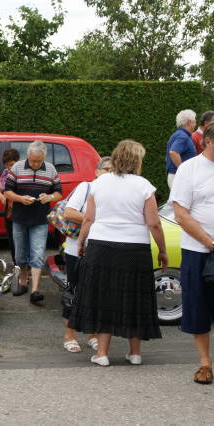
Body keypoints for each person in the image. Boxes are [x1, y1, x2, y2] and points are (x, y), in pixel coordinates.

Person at [70, 140, 168, 367]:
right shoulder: (144, 186)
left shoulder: (100, 182)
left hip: (101, 246)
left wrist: (81, 242)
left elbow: (89, 218)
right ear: (137, 160)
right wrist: (162, 251)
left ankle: (102, 353)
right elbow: (154, 224)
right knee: (134, 297)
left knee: (105, 297)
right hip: (135, 249)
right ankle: (135, 353)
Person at [170, 122, 214, 384]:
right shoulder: (190, 169)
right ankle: (205, 363)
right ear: (208, 141)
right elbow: (180, 213)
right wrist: (209, 242)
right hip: (198, 250)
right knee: (198, 308)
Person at [60, 156, 111, 353]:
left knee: (97, 294)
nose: (109, 172)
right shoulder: (86, 187)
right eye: (105, 168)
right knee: (74, 292)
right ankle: (69, 335)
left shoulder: (113, 193)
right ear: (97, 172)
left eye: (113, 170)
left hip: (102, 250)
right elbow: (69, 212)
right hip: (76, 249)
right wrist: (96, 220)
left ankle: (92, 335)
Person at [4, 141, 62, 304]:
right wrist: (20, 198)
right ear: (28, 156)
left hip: (40, 219)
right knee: (20, 254)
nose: (35, 163)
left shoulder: (51, 169)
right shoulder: (17, 167)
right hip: (20, 217)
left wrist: (49, 197)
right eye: (33, 160)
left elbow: (58, 192)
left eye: (38, 161)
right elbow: (7, 191)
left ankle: (35, 290)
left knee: (38, 253)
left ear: (44, 157)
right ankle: (23, 281)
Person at [0, 148, 20, 265]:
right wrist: (1, 195)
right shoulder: (6, 173)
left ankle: (24, 265)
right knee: (11, 238)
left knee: (20, 238)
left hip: (20, 210)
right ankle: (16, 265)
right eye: (8, 165)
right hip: (9, 210)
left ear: (18, 161)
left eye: (12, 164)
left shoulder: (23, 173)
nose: (10, 167)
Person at [166, 109, 197, 189]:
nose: (195, 123)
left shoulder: (179, 134)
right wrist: (182, 170)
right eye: (194, 121)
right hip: (179, 177)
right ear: (190, 122)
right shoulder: (183, 136)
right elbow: (173, 152)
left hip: (176, 176)